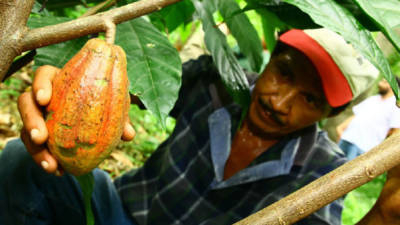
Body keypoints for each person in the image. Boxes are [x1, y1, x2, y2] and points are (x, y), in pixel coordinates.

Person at [0, 28, 384, 225]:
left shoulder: (324, 169)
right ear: (271, 58)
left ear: (329, 114)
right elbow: (142, 91)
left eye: (310, 99)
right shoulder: (216, 80)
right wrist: (70, 90)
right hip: (121, 212)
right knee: (25, 159)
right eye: (284, 73)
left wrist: (384, 219)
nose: (278, 102)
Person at [336, 78, 400, 160]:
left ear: (393, 87)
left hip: (363, 147)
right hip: (347, 138)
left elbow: (394, 132)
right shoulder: (373, 99)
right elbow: (357, 115)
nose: (380, 83)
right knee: (330, 168)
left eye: (384, 82)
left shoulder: (395, 107)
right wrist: (341, 128)